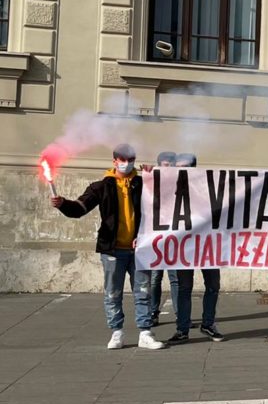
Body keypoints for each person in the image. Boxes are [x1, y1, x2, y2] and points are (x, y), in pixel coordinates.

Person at [51, 143, 165, 350]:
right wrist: (63, 204)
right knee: (113, 292)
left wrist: (155, 175)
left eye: (131, 160)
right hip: (112, 249)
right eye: (122, 160)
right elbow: (79, 208)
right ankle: (117, 332)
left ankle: (146, 333)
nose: (127, 164)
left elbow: (166, 201)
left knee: (143, 291)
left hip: (140, 249)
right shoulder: (101, 186)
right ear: (114, 161)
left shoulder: (143, 183)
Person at [166, 154, 225, 343]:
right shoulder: (169, 187)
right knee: (184, 288)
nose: (181, 170)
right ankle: (182, 328)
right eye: (178, 167)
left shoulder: (207, 188)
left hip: (208, 245)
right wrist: (149, 175)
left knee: (213, 286)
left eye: (185, 167)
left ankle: (208, 324)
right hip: (184, 246)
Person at [147, 151, 177, 327]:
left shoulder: (180, 183)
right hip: (156, 239)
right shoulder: (151, 182)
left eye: (171, 165)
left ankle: (181, 315)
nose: (168, 169)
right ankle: (152, 312)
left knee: (175, 279)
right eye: (165, 165)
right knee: (155, 278)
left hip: (174, 239)